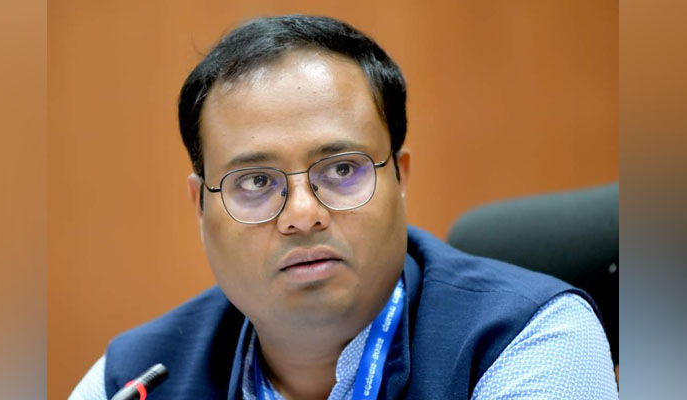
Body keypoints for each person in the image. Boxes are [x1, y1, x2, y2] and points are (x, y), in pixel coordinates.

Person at [70, 15, 618, 400]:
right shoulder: (135, 378)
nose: (302, 214)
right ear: (200, 207)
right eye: (256, 181)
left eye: (340, 171)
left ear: (400, 178)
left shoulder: (528, 341)